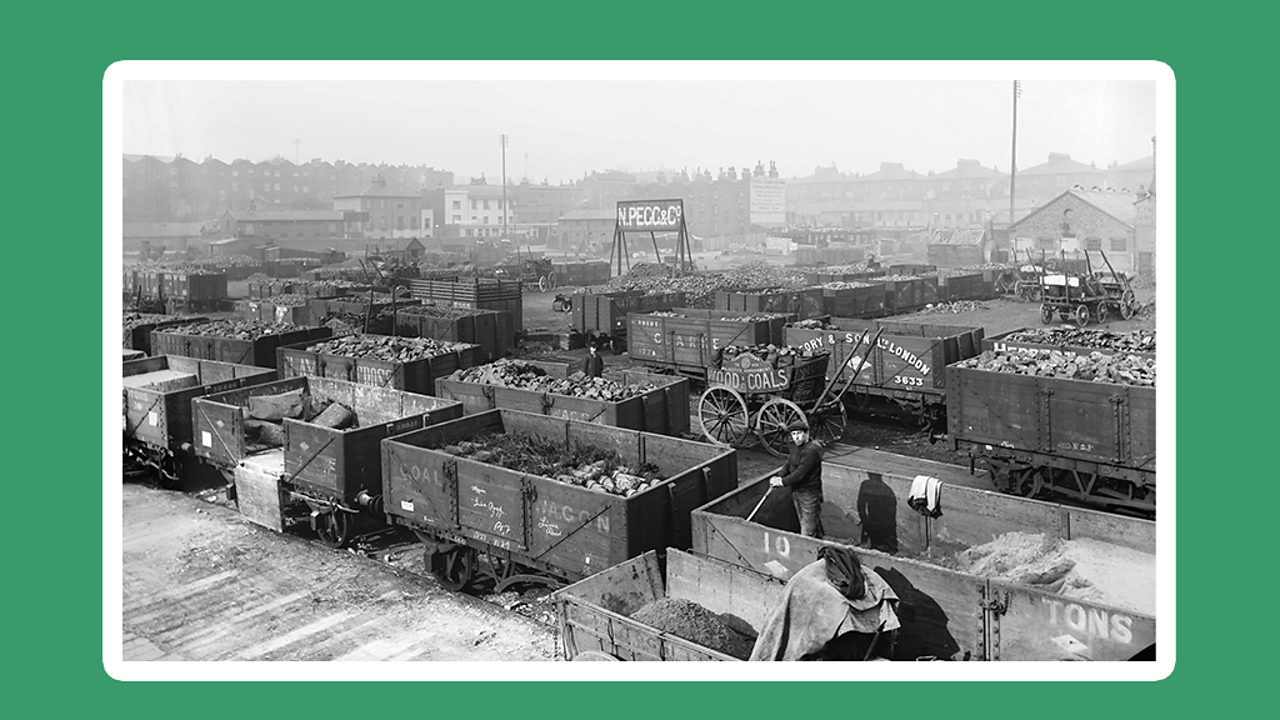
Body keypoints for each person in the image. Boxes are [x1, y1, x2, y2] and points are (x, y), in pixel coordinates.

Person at [769, 421, 825, 538]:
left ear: (806, 434)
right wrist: (779, 475)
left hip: (809, 493)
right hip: (797, 491)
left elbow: (800, 474)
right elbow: (788, 464)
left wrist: (782, 482)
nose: (796, 437)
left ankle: (807, 552)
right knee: (804, 521)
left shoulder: (811, 451)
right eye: (793, 434)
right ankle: (819, 545)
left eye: (799, 433)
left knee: (807, 529)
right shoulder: (796, 447)